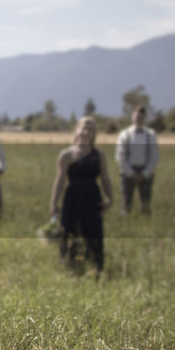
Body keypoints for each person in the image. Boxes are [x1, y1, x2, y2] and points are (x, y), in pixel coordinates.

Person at [50, 117, 113, 274]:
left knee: (93, 232)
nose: (86, 132)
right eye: (84, 128)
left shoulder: (99, 155)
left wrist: (109, 198)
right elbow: (60, 179)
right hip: (72, 197)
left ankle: (96, 266)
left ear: (94, 134)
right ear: (76, 130)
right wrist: (53, 203)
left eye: (90, 129)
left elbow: (105, 178)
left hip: (92, 197)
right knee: (69, 231)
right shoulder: (66, 155)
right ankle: (70, 265)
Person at [116, 105, 159, 214]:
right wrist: (131, 173)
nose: (139, 119)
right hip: (127, 172)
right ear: (132, 117)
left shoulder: (151, 134)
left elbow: (154, 156)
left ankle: (147, 228)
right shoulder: (124, 134)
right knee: (126, 205)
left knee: (146, 204)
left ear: (145, 118)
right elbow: (120, 156)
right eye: (137, 116)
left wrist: (145, 173)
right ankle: (125, 227)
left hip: (146, 172)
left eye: (141, 117)